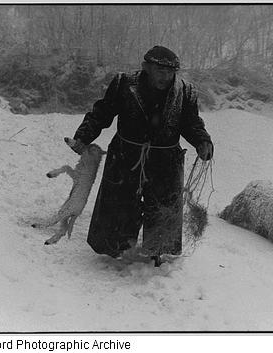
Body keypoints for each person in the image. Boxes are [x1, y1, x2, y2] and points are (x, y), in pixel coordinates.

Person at [70, 45, 213, 266]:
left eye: (169, 72)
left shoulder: (185, 92)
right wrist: (84, 136)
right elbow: (102, 112)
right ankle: (114, 251)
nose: (165, 76)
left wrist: (203, 141)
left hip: (166, 162)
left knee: (163, 207)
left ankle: (159, 251)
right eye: (159, 70)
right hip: (126, 156)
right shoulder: (124, 84)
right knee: (119, 203)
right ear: (146, 67)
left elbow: (191, 123)